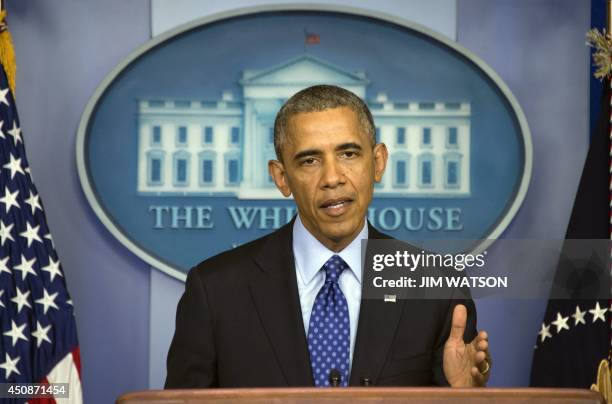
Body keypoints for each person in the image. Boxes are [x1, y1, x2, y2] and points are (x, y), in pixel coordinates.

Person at [165, 84, 491, 388]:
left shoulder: (437, 287)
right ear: (282, 178)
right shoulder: (215, 291)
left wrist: (463, 397)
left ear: (377, 162)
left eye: (348, 154)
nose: (332, 178)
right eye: (309, 160)